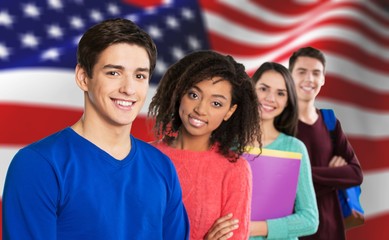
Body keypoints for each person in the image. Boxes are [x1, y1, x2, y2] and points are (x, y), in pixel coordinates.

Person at [2, 18, 189, 239]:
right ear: (83, 77)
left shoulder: (161, 167)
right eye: (113, 73)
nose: (129, 89)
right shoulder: (38, 164)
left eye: (139, 76)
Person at [148, 50, 262, 240]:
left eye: (216, 103)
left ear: (230, 111)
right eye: (193, 95)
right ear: (179, 93)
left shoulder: (234, 170)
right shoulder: (146, 156)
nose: (200, 109)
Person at [288, 46, 363, 240]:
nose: (309, 79)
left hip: (332, 229)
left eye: (316, 73)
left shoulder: (330, 121)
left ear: (323, 79)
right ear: (289, 77)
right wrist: (335, 177)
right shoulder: (278, 124)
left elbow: (355, 173)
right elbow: (283, 182)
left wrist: (302, 174)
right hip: (294, 230)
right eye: (302, 72)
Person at [247, 62, 318, 239]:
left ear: (287, 102)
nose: (270, 98)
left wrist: (254, 228)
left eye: (280, 93)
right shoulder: (226, 144)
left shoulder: (294, 148)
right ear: (251, 90)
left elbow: (310, 219)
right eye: (263, 89)